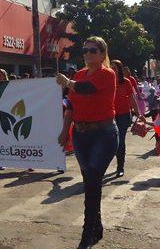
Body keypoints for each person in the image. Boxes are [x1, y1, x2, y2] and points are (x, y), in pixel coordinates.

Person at [56, 36, 117, 249]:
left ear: (102, 54)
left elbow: (86, 89)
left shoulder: (107, 74)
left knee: (92, 180)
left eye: (92, 50)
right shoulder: (79, 74)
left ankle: (87, 233)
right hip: (81, 134)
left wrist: (67, 83)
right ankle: (96, 226)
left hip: (103, 133)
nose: (87, 54)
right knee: (90, 180)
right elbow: (71, 105)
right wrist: (65, 131)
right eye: (85, 50)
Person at [110, 60, 139, 178]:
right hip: (109, 115)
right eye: (110, 68)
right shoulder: (107, 81)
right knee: (110, 142)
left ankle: (120, 167)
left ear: (119, 70)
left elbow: (132, 99)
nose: (112, 70)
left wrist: (138, 113)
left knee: (120, 140)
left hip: (123, 115)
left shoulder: (126, 82)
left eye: (115, 68)